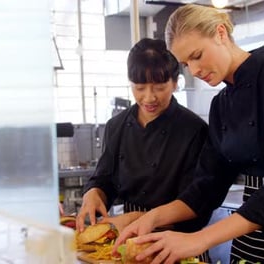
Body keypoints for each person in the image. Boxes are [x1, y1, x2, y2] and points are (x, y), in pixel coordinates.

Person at [113, 4, 264, 264]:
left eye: (197, 55)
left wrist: (199, 240)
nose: (194, 70)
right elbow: (205, 189)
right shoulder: (221, 105)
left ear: (221, 33)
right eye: (186, 63)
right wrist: (151, 218)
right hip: (250, 242)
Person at [75, 38, 211, 261]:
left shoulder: (194, 130)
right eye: (139, 88)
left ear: (175, 83)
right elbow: (104, 178)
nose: (149, 97)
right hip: (127, 241)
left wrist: (138, 219)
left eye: (159, 87)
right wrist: (93, 193)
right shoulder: (116, 126)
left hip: (178, 240)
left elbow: (197, 204)